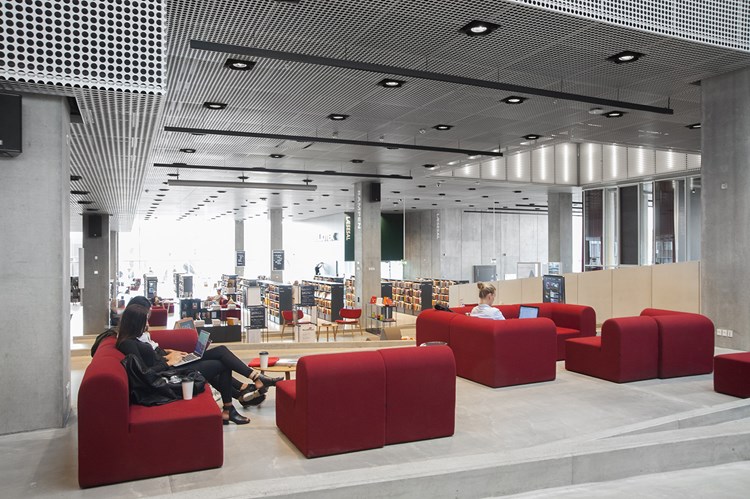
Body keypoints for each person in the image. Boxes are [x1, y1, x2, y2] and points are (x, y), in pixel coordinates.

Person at [118, 299, 280, 423]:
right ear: (135, 323)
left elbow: (152, 356)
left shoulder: (136, 338)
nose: (147, 324)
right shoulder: (128, 343)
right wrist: (167, 362)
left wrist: (170, 354)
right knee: (221, 363)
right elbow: (145, 373)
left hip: (172, 366)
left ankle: (248, 387)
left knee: (221, 351)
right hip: (169, 374)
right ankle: (238, 398)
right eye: (144, 321)